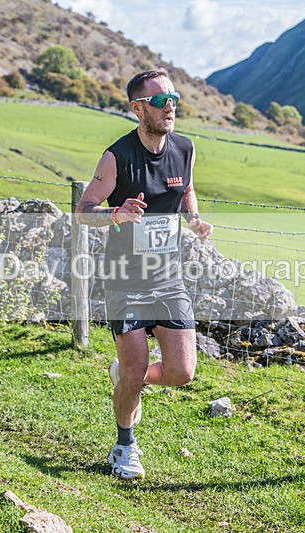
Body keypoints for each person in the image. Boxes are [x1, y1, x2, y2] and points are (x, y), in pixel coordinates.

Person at [75, 68, 213, 480]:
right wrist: (116, 214)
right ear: (138, 108)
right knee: (135, 368)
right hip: (124, 278)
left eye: (173, 97)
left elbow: (185, 187)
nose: (169, 106)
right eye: (158, 100)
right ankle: (124, 446)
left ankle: (127, 379)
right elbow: (84, 212)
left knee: (182, 372)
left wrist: (194, 218)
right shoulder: (116, 156)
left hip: (168, 276)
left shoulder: (185, 148)